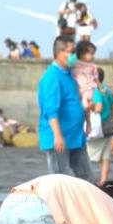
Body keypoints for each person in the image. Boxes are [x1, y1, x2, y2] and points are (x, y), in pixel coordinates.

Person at [39, 36, 89, 179]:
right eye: (71, 52)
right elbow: (51, 109)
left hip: (75, 137)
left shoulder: (70, 75)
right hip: (60, 138)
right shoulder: (52, 76)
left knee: (86, 177)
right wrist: (58, 136)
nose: (75, 56)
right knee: (63, 180)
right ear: (59, 52)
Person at [88, 68, 113, 179]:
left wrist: (91, 108)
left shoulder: (96, 91)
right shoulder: (105, 90)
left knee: (86, 154)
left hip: (97, 128)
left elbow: (99, 108)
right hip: (108, 127)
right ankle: (103, 180)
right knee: (106, 156)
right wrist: (109, 117)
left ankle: (87, 179)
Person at [72, 40, 99, 133]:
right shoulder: (75, 63)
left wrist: (100, 87)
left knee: (86, 105)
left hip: (88, 88)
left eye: (93, 53)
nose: (92, 56)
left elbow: (96, 79)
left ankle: (88, 122)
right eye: (90, 53)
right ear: (82, 53)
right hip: (77, 88)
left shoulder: (93, 66)